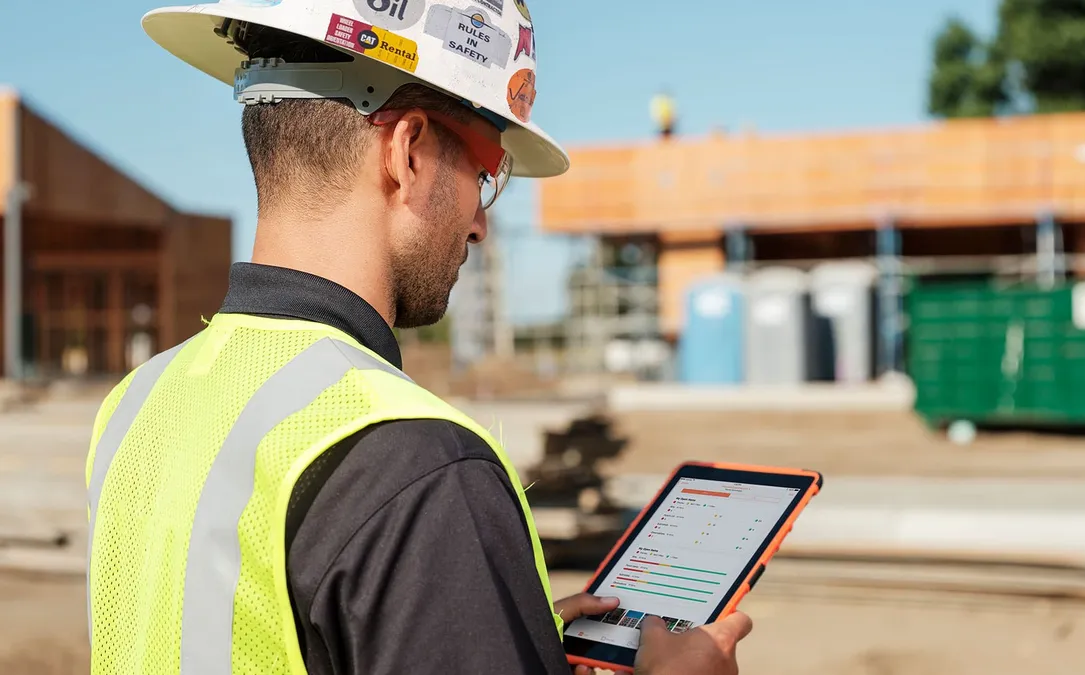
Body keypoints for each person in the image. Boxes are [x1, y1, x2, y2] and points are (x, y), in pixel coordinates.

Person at [84, 1, 753, 674]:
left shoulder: (137, 404)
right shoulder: (418, 464)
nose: (480, 225)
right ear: (408, 153)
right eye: (487, 172)